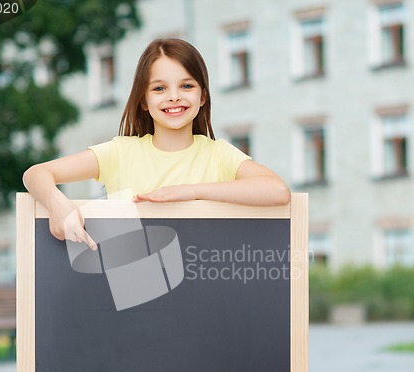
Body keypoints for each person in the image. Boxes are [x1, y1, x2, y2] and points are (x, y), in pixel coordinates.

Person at [23, 38, 291, 251]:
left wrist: (190, 192)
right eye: (159, 89)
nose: (174, 97)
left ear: (203, 97)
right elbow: (36, 173)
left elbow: (277, 191)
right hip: (130, 300)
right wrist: (57, 203)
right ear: (143, 101)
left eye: (186, 86)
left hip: (206, 293)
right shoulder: (120, 152)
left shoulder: (218, 154)